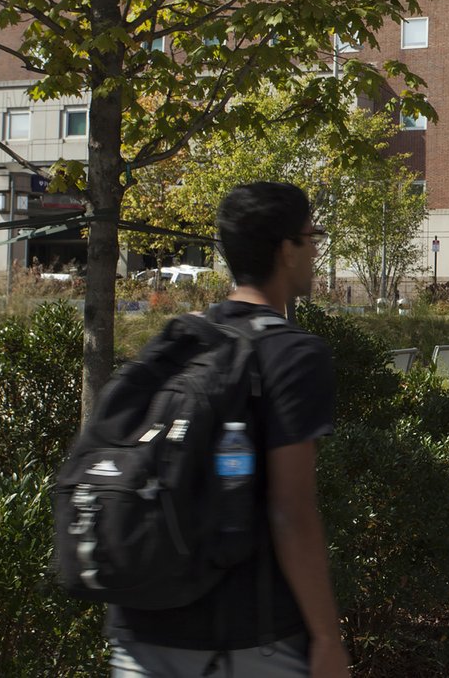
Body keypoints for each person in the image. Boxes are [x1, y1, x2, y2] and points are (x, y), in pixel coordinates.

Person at [108, 183, 349, 678]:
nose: (317, 249)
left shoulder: (180, 338)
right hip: (245, 641)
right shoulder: (293, 354)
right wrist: (327, 638)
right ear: (286, 250)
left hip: (139, 638)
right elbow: (291, 510)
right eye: (312, 235)